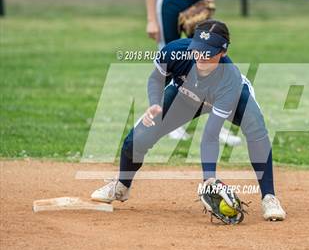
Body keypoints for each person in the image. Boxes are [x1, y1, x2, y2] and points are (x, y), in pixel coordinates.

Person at [91, 20, 286, 221]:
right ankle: (122, 186)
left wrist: (208, 179)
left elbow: (210, 134)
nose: (201, 56)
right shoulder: (175, 52)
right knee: (138, 138)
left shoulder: (230, 79)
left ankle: (269, 197)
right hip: (185, 96)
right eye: (198, 49)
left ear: (223, 52)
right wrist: (155, 103)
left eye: (209, 52)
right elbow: (156, 79)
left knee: (256, 128)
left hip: (229, 97)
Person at [145, 0, 241, 146]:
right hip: (169, 1)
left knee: (211, 63)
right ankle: (170, 121)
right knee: (171, 62)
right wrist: (151, 19)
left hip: (197, 2)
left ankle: (217, 124)